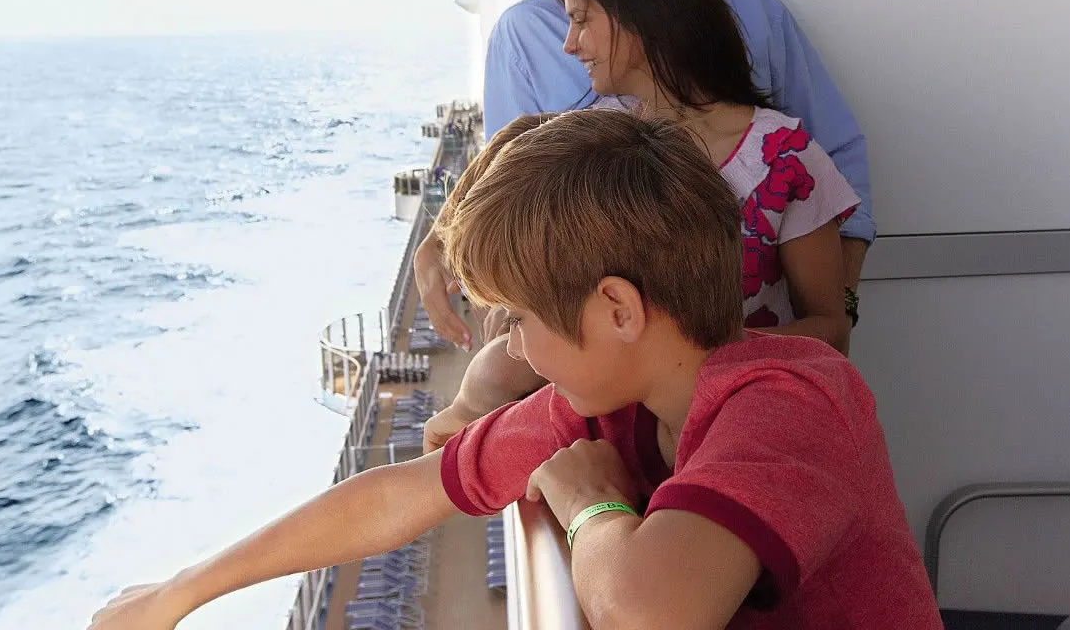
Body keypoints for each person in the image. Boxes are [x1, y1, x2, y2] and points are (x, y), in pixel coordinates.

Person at [85, 110, 940, 630]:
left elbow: (650, 612)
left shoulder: (793, 401)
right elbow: (398, 494)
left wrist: (588, 502)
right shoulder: (605, 402)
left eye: (524, 321)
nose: (517, 351)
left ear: (617, 309)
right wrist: (182, 590)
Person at [413, 0, 874, 352]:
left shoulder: (755, 13)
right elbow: (516, 183)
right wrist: (446, 237)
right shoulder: (521, 38)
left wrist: (835, 310)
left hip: (758, 380)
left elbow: (833, 166)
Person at [424, 0, 860, 450]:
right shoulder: (593, 146)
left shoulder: (785, 158)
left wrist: (699, 360)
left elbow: (830, 328)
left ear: (645, 19)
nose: (569, 43)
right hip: (616, 441)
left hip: (740, 435)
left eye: (583, 20)